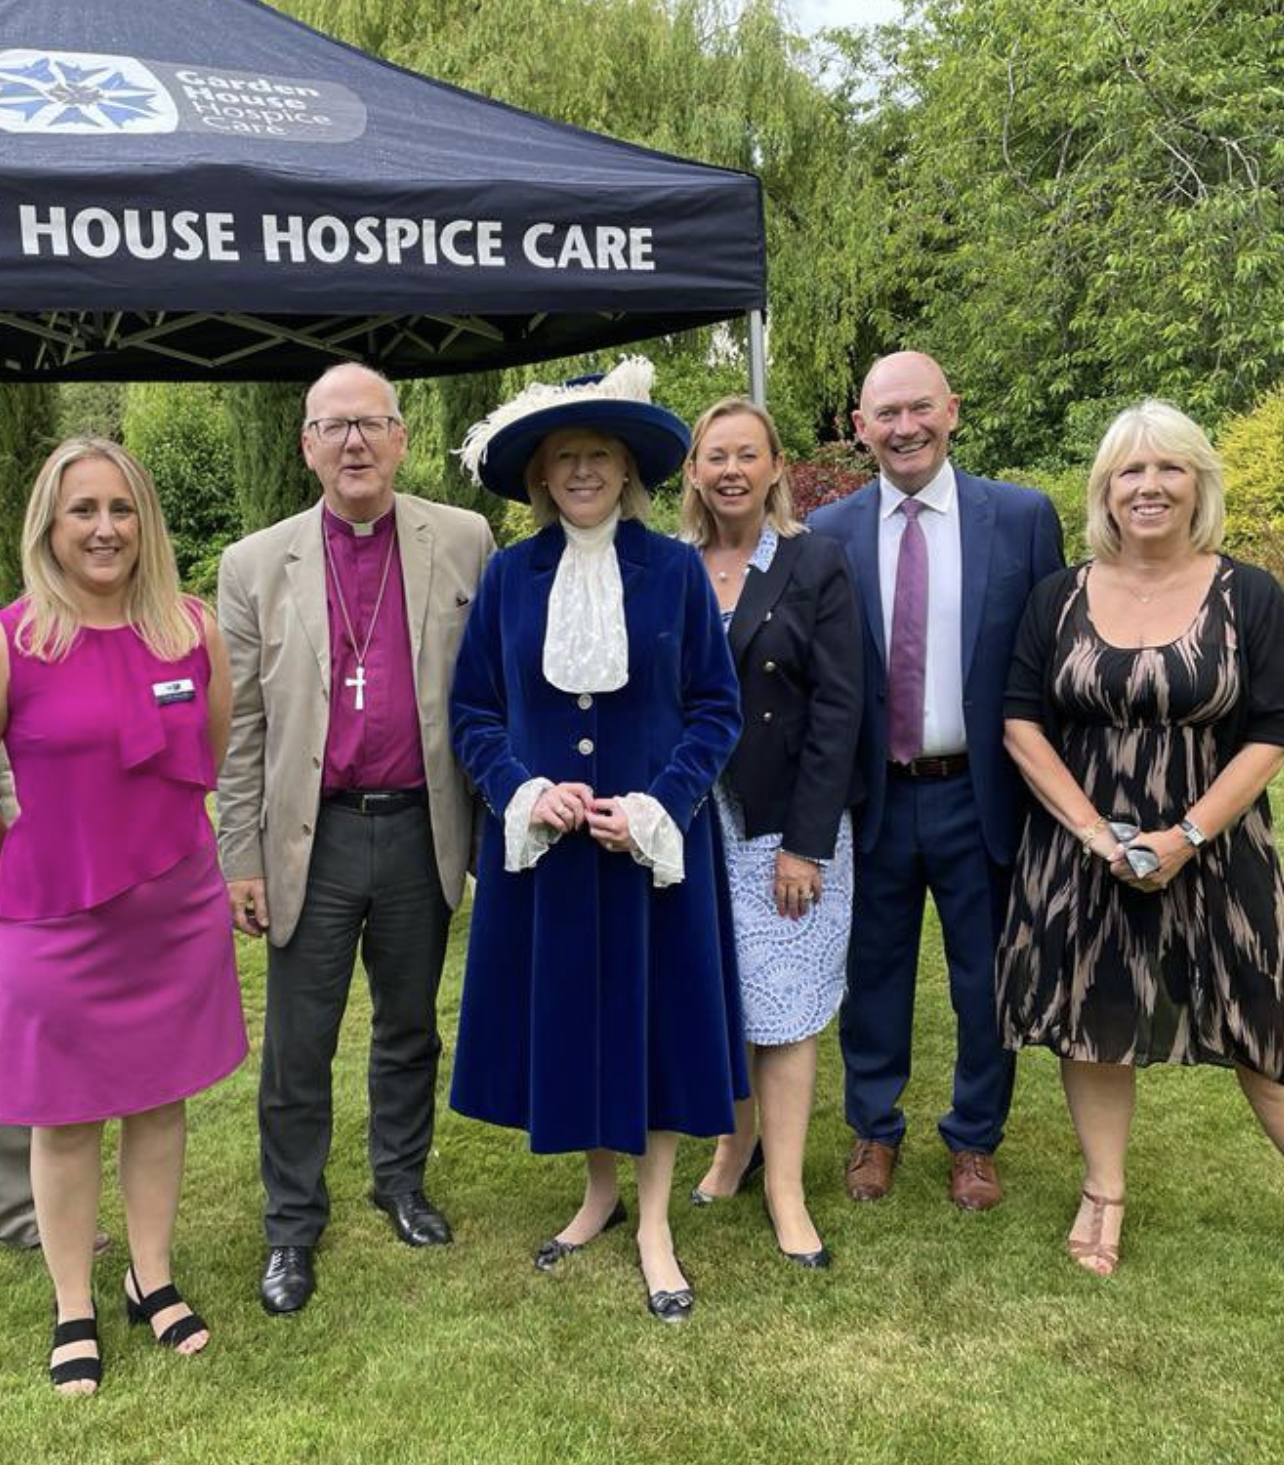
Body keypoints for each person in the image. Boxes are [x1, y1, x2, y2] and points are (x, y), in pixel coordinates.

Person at [449, 358, 746, 1322]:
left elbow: (714, 708)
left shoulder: (675, 572)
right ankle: (600, 1192)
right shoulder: (507, 575)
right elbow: (474, 713)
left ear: (628, 471)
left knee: (654, 1021)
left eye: (600, 455)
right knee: (575, 1018)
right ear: (541, 475)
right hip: (554, 851)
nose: (582, 470)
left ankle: (655, 1219)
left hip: (652, 849)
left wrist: (660, 804)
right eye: (565, 456)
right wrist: (522, 789)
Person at [218, 364, 493, 1316]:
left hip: (422, 829)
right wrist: (238, 856)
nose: (353, 444)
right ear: (307, 444)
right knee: (299, 1043)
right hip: (314, 835)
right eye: (333, 428)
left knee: (410, 1025)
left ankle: (400, 1179)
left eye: (371, 424)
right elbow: (242, 727)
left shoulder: (463, 540)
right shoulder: (255, 564)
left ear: (402, 436)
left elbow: (487, 697)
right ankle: (292, 1224)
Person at [999, 400, 1284, 1275]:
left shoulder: (1251, 594)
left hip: (1218, 844)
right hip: (1084, 850)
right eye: (1130, 470)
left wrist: (1186, 835)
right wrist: (1095, 835)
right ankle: (1103, 1192)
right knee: (1096, 1018)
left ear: (1197, 481)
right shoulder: (1060, 595)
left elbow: (1272, 730)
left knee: (1263, 1022)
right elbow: (1020, 722)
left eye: (1167, 468)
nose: (1149, 486)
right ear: (1105, 490)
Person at [0, 438, 247, 1394]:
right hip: (53, 916)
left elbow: (210, 753)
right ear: (49, 529)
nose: (105, 529)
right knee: (62, 1118)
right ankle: (72, 1303)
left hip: (173, 907)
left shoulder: (191, 629)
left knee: (159, 1097)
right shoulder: (15, 640)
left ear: (145, 522)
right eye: (83, 511)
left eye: (122, 509)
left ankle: (152, 1274)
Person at [810, 351, 1064, 1209]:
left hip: (982, 791)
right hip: (875, 794)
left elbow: (1048, 665)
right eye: (886, 413)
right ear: (860, 429)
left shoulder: (1023, 520)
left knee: (985, 977)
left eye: (920, 407)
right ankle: (873, 1129)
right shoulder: (830, 534)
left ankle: (974, 1139)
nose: (905, 426)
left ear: (952, 410)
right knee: (871, 969)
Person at [680, 398, 862, 1267]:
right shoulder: (670, 568)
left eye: (746, 455)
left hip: (781, 821)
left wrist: (805, 840)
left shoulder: (815, 562)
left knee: (785, 1010)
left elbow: (838, 709)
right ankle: (732, 1148)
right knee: (722, 998)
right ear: (692, 471)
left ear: (775, 465)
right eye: (715, 456)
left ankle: (786, 1189)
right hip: (690, 823)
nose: (730, 471)